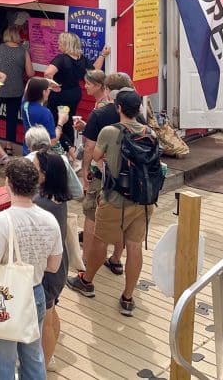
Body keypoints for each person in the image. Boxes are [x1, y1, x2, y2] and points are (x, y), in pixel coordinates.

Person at [67, 91, 158, 317]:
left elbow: (96, 155)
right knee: (134, 245)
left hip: (116, 199)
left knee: (100, 241)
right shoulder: (151, 133)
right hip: (144, 200)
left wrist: (100, 163)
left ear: (118, 107)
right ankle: (128, 298)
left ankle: (86, 281)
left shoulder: (110, 131)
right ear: (138, 109)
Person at [0, 158, 62, 380]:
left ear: (8, 183)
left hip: (5, 295)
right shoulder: (50, 220)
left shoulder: (1, 221)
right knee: (33, 359)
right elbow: (54, 265)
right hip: (35, 293)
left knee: (3, 365)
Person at [75, 71, 136, 273]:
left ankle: (85, 260)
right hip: (131, 176)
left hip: (104, 175)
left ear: (108, 90)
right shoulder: (138, 115)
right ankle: (116, 259)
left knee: (92, 216)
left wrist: (85, 171)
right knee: (123, 222)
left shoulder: (100, 114)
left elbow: (91, 150)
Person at [29, 150, 71, 369]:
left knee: (45, 319)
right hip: (60, 263)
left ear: (44, 174)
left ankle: (43, 364)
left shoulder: (40, 203)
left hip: (47, 269)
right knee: (51, 311)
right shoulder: (58, 198)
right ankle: (49, 355)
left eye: (34, 169)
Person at [42, 32, 109, 151]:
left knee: (57, 123)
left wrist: (53, 86)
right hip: (74, 94)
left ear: (67, 44)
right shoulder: (82, 59)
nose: (58, 43)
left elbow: (47, 73)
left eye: (60, 42)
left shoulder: (61, 59)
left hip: (60, 95)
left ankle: (62, 150)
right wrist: (102, 55)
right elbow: (94, 71)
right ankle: (71, 150)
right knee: (68, 123)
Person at [0, 26, 34, 147]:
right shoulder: (23, 51)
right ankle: (9, 145)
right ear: (17, 36)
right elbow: (30, 73)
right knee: (12, 119)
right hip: (15, 90)